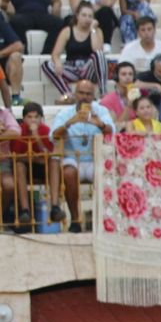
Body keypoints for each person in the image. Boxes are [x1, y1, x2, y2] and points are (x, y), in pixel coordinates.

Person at [49, 79, 114, 232]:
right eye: (81, 93)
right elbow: (53, 136)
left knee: (106, 175)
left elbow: (112, 132)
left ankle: (102, 220)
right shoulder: (65, 113)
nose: (84, 97)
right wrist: (69, 123)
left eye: (88, 94)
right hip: (72, 158)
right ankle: (76, 219)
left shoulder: (101, 111)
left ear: (94, 96)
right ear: (75, 94)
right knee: (69, 173)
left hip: (95, 159)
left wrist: (101, 125)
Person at [42, 2, 103, 99]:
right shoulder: (67, 31)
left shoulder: (97, 31)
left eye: (90, 16)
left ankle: (103, 91)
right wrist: (57, 62)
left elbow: (98, 50)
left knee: (99, 55)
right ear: (77, 16)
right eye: (84, 15)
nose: (87, 19)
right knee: (46, 64)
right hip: (72, 68)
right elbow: (55, 54)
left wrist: (92, 30)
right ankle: (67, 93)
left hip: (89, 69)